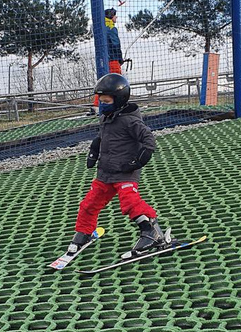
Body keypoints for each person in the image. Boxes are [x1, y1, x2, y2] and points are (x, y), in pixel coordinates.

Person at [67, 73, 170, 261]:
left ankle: (152, 233)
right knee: (89, 204)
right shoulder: (107, 117)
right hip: (105, 172)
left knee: (130, 203)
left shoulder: (130, 120)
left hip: (124, 172)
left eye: (106, 101)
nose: (102, 104)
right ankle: (84, 232)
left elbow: (148, 140)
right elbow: (102, 137)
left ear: (119, 99)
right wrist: (94, 151)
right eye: (100, 100)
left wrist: (139, 160)